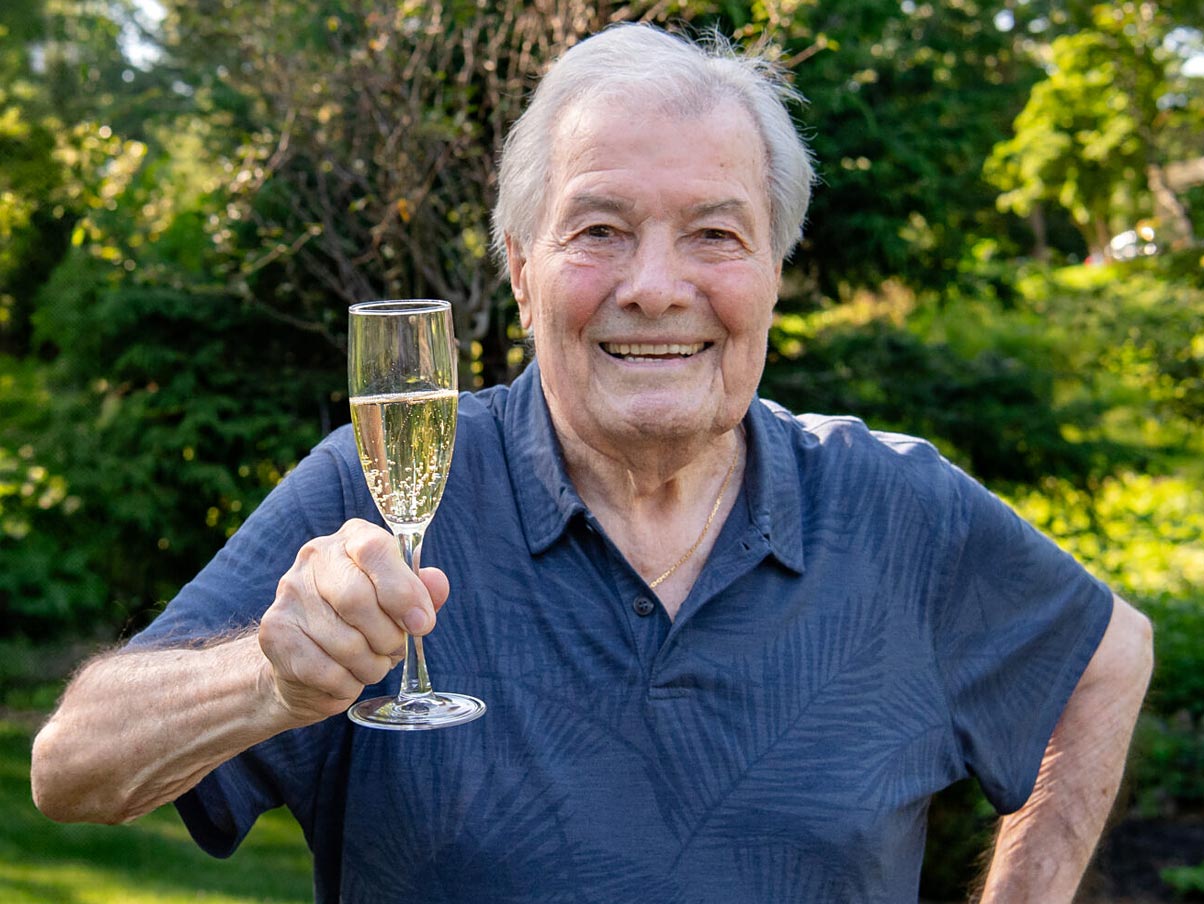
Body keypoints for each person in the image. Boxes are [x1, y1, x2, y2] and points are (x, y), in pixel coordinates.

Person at [31, 22, 1152, 903]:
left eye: (714, 234)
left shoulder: (896, 506)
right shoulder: (377, 490)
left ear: (773, 273)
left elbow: (1111, 651)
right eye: (599, 229)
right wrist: (265, 680)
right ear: (520, 271)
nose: (655, 286)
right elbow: (71, 767)